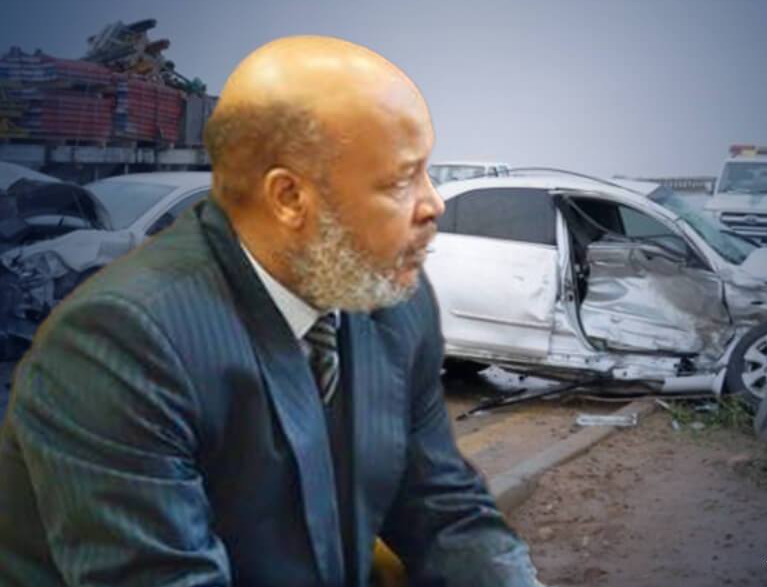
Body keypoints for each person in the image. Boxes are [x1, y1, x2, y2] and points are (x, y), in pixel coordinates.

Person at [0, 36, 543, 587]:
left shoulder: (394, 304)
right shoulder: (122, 343)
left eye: (427, 173)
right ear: (289, 198)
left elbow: (444, 508)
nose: (435, 204)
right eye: (401, 181)